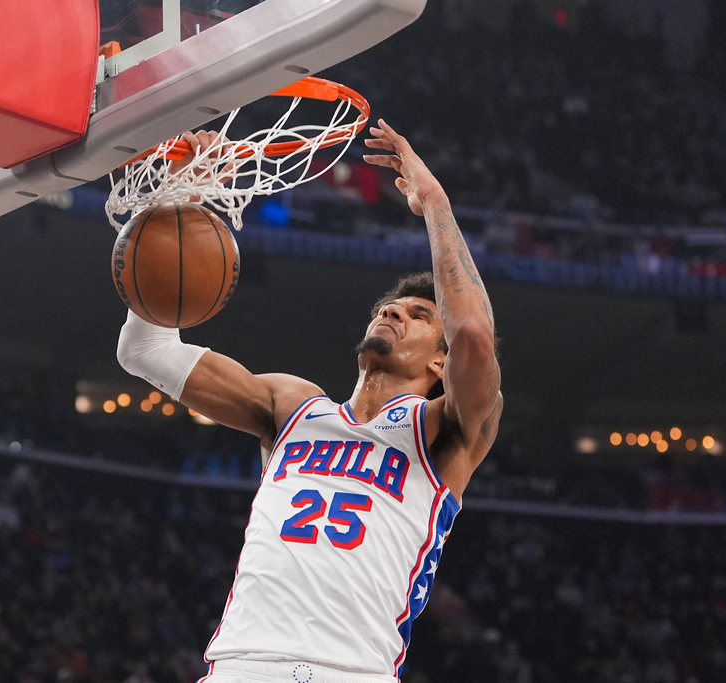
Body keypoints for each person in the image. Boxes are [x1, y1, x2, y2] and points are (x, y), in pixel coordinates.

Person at [117, 120, 503, 683]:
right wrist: (182, 200)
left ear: (441, 364)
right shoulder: (293, 406)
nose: (392, 312)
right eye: (388, 308)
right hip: (239, 666)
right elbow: (144, 349)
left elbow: (472, 332)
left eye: (419, 316)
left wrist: (436, 207)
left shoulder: (446, 431)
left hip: (350, 670)